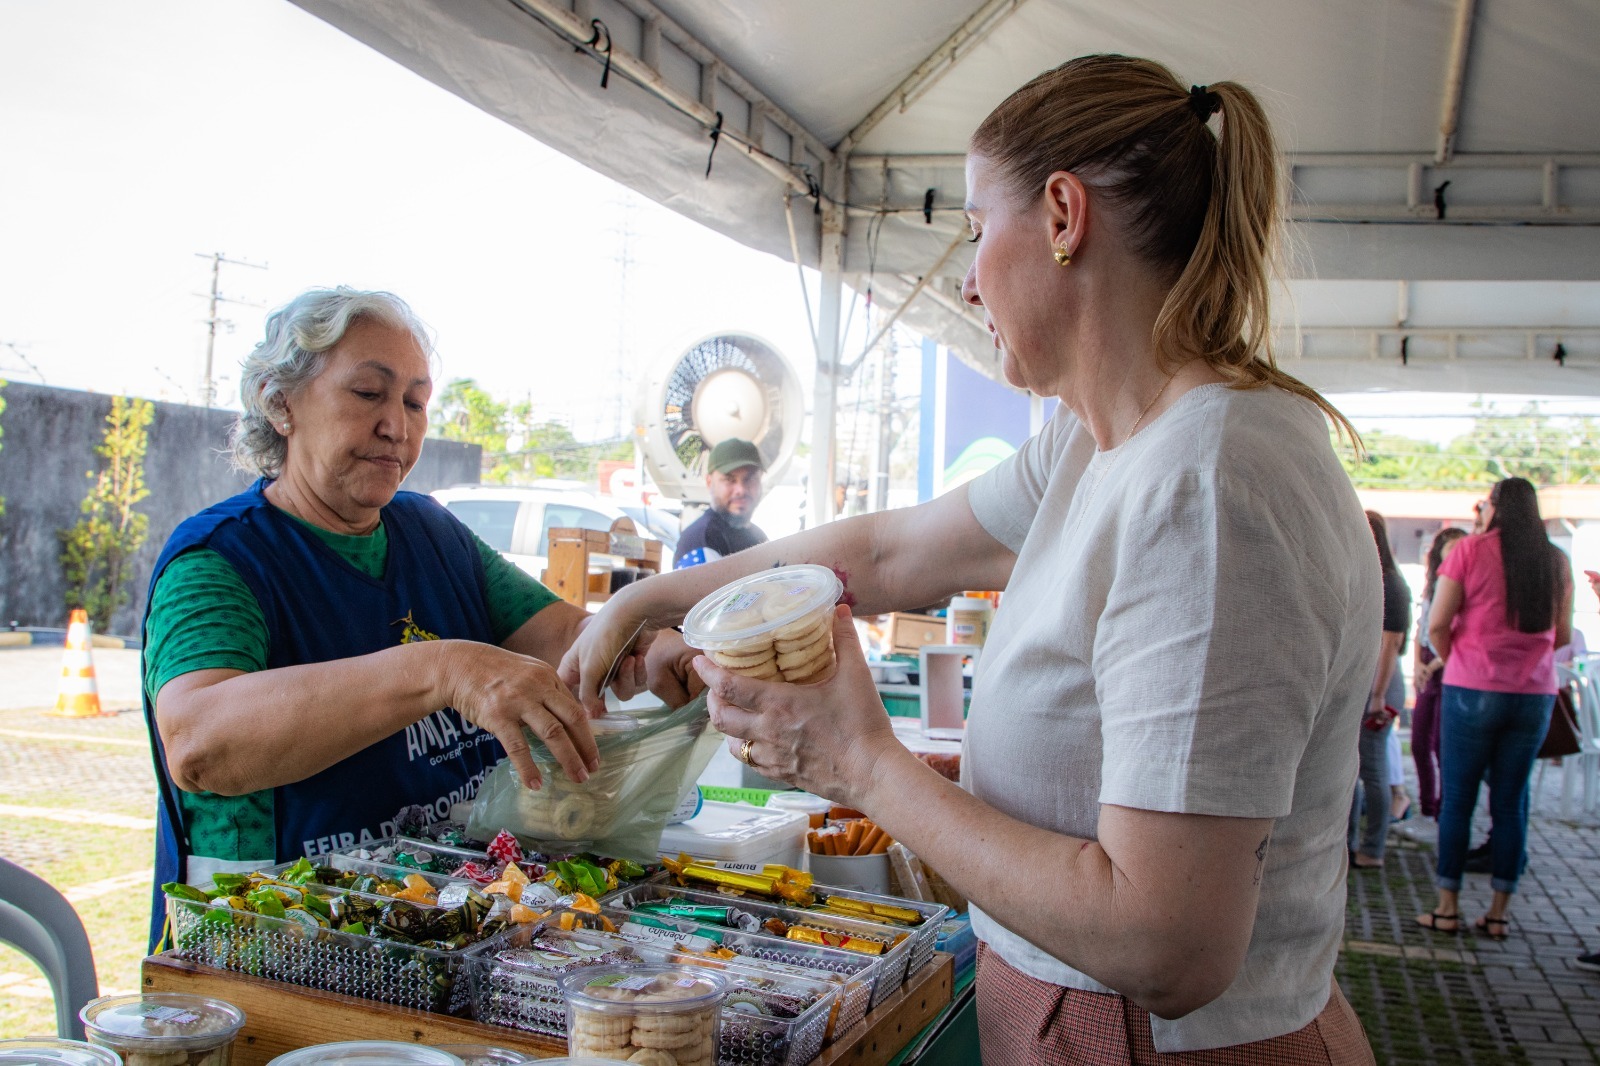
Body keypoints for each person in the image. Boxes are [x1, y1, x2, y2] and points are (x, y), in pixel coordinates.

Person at [565, 56, 1377, 1062]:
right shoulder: (1099, 443)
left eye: (976, 226)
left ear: (1063, 216)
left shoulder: (1204, 482)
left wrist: (859, 760)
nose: (964, 273)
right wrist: (658, 599)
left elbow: (1169, 940)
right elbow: (888, 550)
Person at [142, 288, 633, 946]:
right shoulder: (221, 560)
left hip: (438, 932)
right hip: (271, 947)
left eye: (415, 401)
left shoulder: (431, 533)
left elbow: (567, 638)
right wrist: (440, 670)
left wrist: (645, 642)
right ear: (280, 403)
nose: (397, 426)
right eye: (369, 394)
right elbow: (201, 746)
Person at [1417, 477, 1572, 941]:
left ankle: (1447, 908)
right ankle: (1500, 915)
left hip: (1471, 688)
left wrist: (1456, 655)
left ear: (1495, 508)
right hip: (1534, 695)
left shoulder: (1470, 551)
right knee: (1511, 802)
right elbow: (1561, 635)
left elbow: (1439, 623)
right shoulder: (1556, 560)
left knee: (1458, 800)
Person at [1349, 511, 1411, 869]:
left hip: (1381, 685)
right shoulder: (1370, 577)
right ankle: (1351, 844)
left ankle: (1372, 849)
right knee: (1356, 770)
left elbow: (1390, 644)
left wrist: (1377, 696)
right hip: (1366, 682)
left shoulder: (1390, 583)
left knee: (1372, 771)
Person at [1413, 527, 1468, 820]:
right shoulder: (1432, 585)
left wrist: (1435, 663)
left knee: (1441, 743)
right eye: (1448, 547)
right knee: (1419, 741)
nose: (1453, 553)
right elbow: (1422, 628)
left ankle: (1444, 806)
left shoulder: (1463, 581)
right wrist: (1417, 666)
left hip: (1447, 662)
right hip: (1426, 660)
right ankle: (1427, 803)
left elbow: (1454, 633)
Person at [672, 438, 768, 568]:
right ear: (709, 482)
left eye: (749, 479)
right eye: (729, 479)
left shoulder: (759, 537)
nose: (741, 490)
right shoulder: (700, 539)